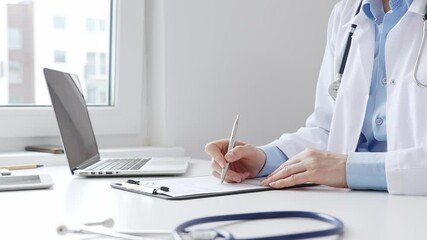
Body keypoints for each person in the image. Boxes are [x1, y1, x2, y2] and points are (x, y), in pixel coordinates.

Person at [205, 0, 427, 195]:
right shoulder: (347, 12)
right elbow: (328, 130)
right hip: (352, 204)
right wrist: (265, 159)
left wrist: (348, 169)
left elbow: (335, 163)